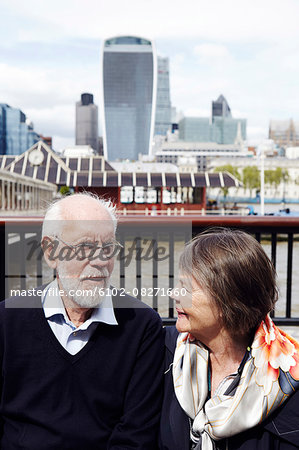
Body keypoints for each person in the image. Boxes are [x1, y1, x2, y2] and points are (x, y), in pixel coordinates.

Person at [0, 193, 164, 449]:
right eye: (86, 247)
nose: (100, 261)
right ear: (50, 252)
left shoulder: (142, 326)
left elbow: (136, 436)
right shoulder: (7, 319)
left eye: (108, 247)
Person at [159, 228, 299, 449]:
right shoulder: (166, 351)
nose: (174, 294)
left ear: (228, 301)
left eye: (186, 288)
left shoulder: (290, 382)